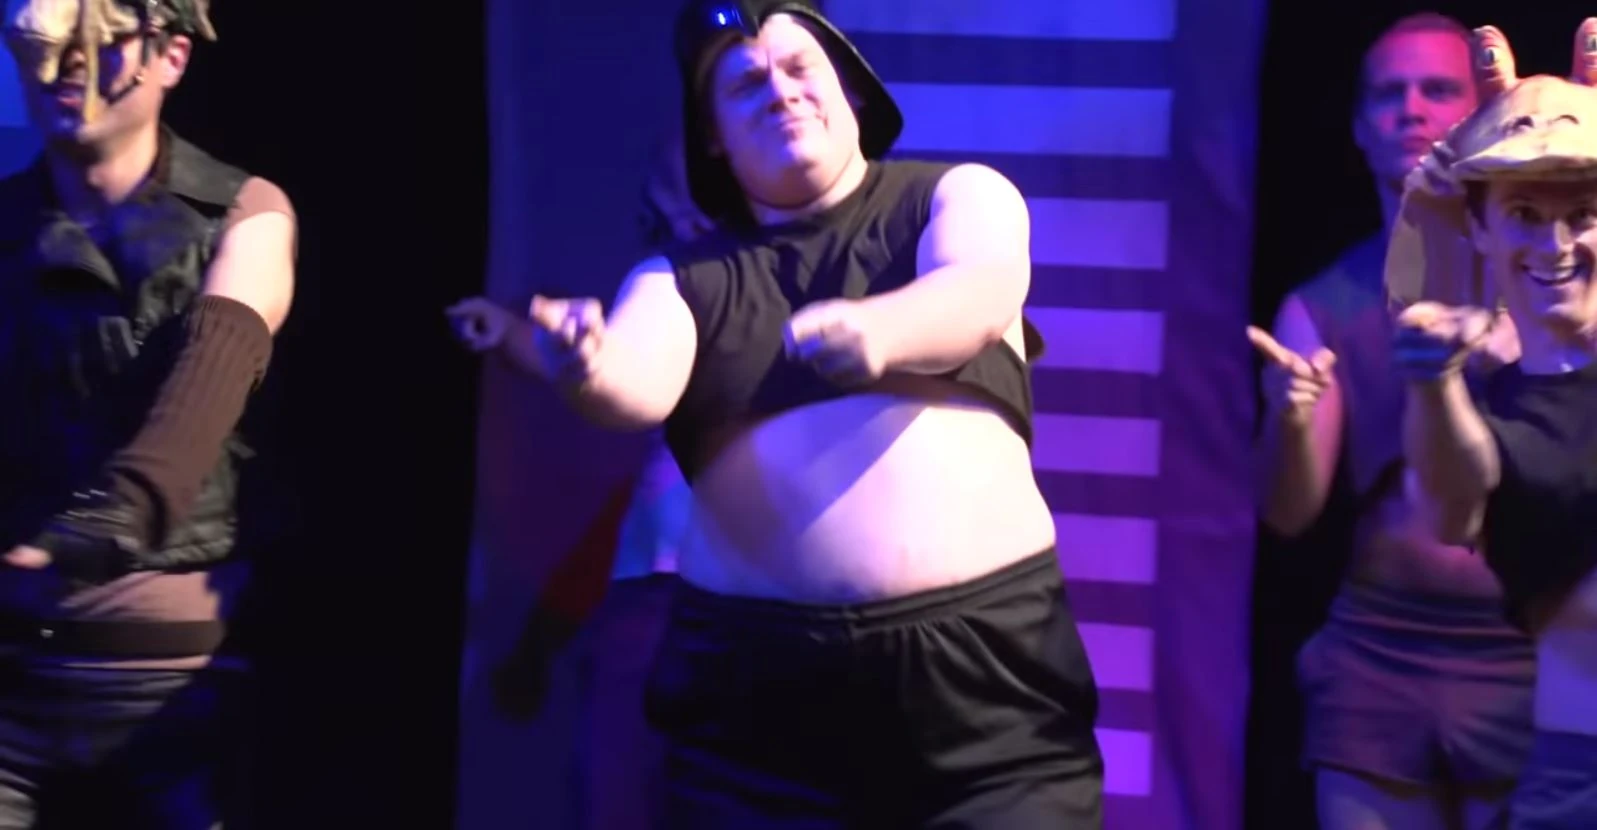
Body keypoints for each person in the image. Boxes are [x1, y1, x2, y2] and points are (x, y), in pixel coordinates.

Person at [499, 0, 1102, 825]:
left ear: (849, 90)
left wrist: (883, 330)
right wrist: (588, 363)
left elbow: (980, 287)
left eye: (797, 68)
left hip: (982, 684)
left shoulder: (953, 194)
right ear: (712, 136)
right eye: (745, 85)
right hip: (757, 705)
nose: (779, 92)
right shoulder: (679, 278)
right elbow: (636, 382)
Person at [0, 0, 297, 826]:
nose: (68, 63)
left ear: (171, 56)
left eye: (103, 40)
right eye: (50, 39)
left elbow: (219, 354)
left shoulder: (242, 214)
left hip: (170, 696)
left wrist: (125, 508)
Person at [1248, 12, 1534, 830]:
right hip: (1378, 653)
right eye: (1388, 93)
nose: (1409, 109)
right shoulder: (1321, 304)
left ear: (1482, 112)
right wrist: (1292, 419)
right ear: (1357, 127)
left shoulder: (1554, 277)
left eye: (1436, 90)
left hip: (1532, 650)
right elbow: (1287, 513)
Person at [448, 132, 706, 830]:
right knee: (618, 787)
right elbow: (599, 365)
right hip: (650, 603)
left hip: (739, 609)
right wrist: (512, 333)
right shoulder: (665, 305)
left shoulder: (759, 294)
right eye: (663, 210)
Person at [1396, 19, 1597, 829]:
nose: (1554, 242)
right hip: (1576, 779)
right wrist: (1433, 379)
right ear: (1479, 228)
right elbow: (1450, 510)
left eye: (1582, 211)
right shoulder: (1488, 406)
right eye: (1521, 212)